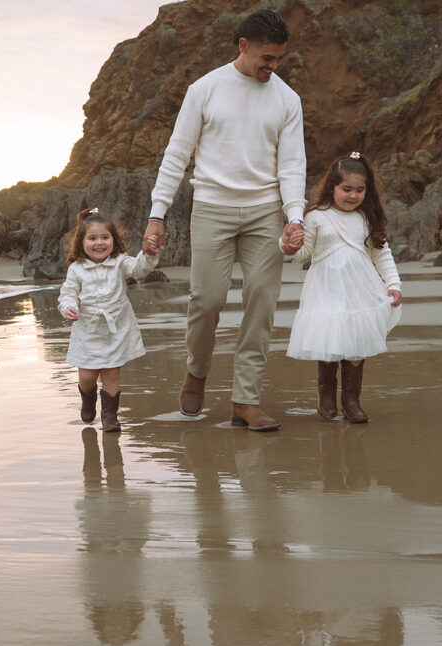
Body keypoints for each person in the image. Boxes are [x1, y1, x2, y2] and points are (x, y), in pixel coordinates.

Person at [142, 9, 307, 432]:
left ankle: (245, 401)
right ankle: (196, 372)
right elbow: (177, 154)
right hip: (212, 206)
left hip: (265, 211)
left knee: (262, 302)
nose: (272, 67)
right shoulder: (205, 89)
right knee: (208, 300)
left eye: (279, 60)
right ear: (243, 46)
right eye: (266, 58)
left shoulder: (288, 100)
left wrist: (294, 217)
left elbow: (292, 165)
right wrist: (157, 214)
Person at [282, 152, 402, 423]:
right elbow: (303, 253)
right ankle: (326, 395)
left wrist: (393, 283)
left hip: (360, 290)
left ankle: (351, 400)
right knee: (330, 340)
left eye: (359, 190)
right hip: (325, 289)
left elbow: (381, 254)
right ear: (332, 187)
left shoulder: (365, 217)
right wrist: (289, 244)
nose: (353, 196)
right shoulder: (315, 216)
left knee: (356, 345)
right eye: (346, 189)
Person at [59, 208, 159, 431]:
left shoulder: (120, 262)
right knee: (87, 375)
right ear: (81, 242)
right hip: (88, 330)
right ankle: (87, 398)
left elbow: (139, 267)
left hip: (116, 329)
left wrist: (149, 253)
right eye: (92, 238)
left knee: (112, 373)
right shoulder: (77, 269)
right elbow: (68, 293)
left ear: (114, 239)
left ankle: (110, 416)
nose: (99, 243)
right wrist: (69, 307)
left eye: (105, 237)